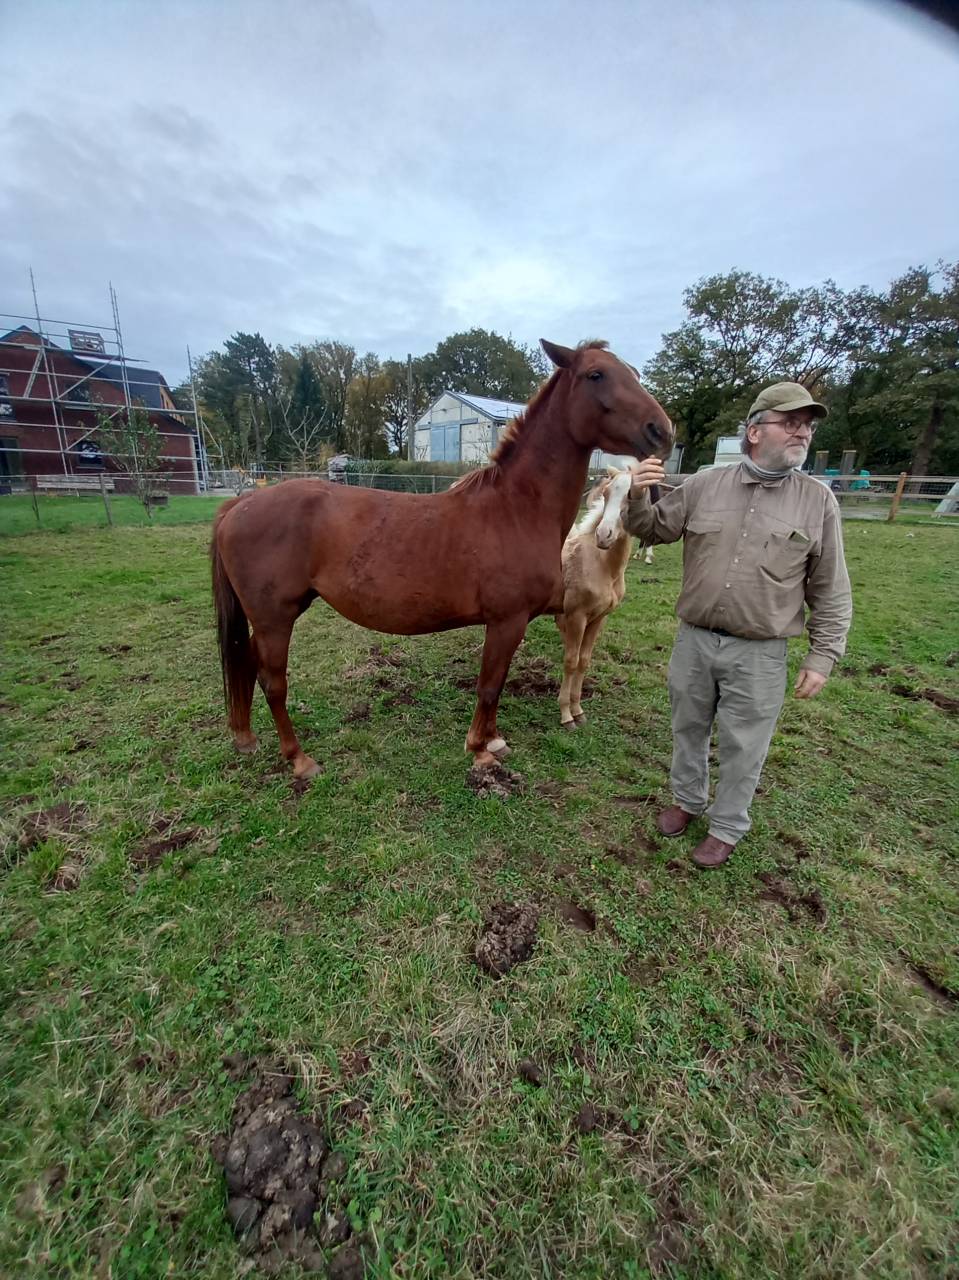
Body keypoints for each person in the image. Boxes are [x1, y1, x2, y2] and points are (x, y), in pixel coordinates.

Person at [624, 382, 852, 868]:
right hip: (695, 641)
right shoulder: (706, 484)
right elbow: (653, 530)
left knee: (744, 743)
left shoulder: (818, 502)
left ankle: (727, 826)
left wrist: (823, 654)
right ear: (753, 431)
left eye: (807, 425)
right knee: (687, 727)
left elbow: (830, 587)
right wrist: (638, 495)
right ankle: (688, 800)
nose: (802, 433)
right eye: (790, 422)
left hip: (760, 652)